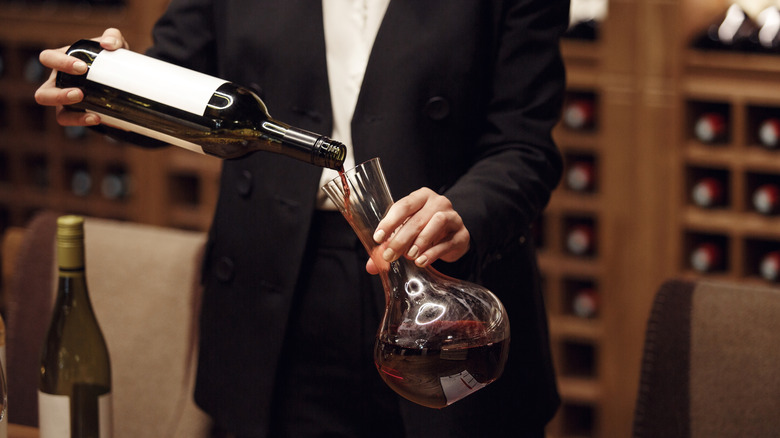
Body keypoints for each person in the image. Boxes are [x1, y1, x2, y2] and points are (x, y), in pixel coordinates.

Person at [35, 1, 569, 437]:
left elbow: (524, 146)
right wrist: (108, 84)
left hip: (446, 282)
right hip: (277, 291)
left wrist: (465, 213)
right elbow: (177, 76)